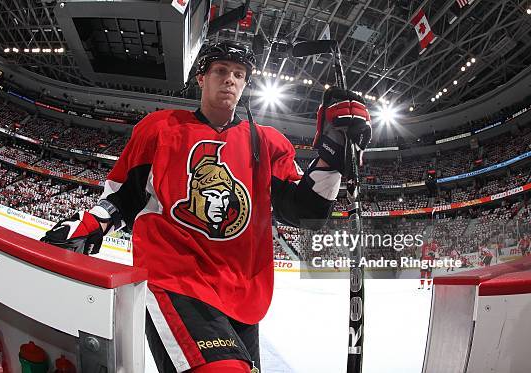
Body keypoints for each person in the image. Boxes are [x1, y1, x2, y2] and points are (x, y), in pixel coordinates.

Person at [41, 41, 372, 373]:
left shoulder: (267, 142)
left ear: (245, 84)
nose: (230, 79)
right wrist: (92, 223)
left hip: (243, 295)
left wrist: (334, 152)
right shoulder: (160, 127)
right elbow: (124, 197)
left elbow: (308, 213)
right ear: (201, 78)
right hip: (176, 281)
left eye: (239, 74)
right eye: (220, 71)